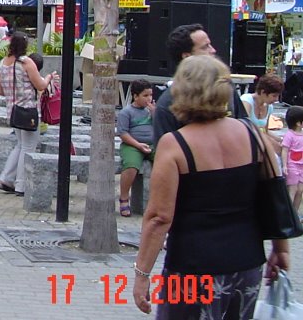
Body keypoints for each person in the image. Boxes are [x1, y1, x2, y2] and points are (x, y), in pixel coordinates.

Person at [133, 55, 291, 317]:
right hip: (247, 261)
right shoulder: (252, 134)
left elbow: (159, 217)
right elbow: (275, 192)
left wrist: (142, 273)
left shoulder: (175, 144)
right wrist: (281, 248)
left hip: (193, 265)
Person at [153, 24, 249, 139]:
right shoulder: (167, 103)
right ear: (187, 56)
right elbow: (165, 151)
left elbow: (245, 126)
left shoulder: (225, 86)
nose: (213, 50)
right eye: (205, 47)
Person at [0, 31, 51, 197]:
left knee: (19, 144)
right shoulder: (26, 62)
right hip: (28, 110)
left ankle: (6, 178)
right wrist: (48, 78)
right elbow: (40, 85)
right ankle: (20, 185)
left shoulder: (2, 63)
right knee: (28, 146)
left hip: (12, 110)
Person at [117, 79, 155, 217]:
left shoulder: (151, 111)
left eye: (150, 95)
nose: (149, 99)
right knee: (131, 166)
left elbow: (161, 127)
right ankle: (124, 198)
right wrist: (138, 145)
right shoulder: (126, 112)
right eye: (145, 96)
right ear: (135, 96)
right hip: (132, 144)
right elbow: (122, 133)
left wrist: (156, 114)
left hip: (152, 144)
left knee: (166, 161)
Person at [281, 106, 303, 213]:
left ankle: (295, 214)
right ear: (298, 123)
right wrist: (284, 165)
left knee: (300, 191)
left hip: (301, 166)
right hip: (292, 165)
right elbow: (285, 150)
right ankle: (289, 214)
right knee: (292, 190)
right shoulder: (289, 135)